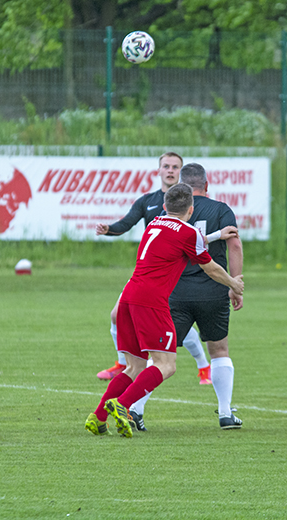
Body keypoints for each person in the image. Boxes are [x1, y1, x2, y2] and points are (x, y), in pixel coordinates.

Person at [85, 183, 244, 438]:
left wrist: (214, 236)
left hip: (128, 297)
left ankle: (98, 416)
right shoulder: (187, 232)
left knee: (134, 367)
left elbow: (186, 242)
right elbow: (210, 266)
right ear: (190, 210)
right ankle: (122, 405)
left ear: (163, 206)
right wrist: (234, 283)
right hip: (151, 301)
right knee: (167, 365)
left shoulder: (154, 224)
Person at [95, 152, 234, 388]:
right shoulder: (150, 202)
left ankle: (201, 366)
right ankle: (125, 363)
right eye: (166, 166)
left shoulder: (187, 203)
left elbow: (190, 239)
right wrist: (109, 229)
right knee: (118, 315)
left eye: (175, 167)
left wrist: (216, 236)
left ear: (181, 174)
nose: (170, 170)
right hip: (149, 274)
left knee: (176, 325)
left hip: (174, 278)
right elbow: (126, 224)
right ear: (158, 170)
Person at [168, 162, 244, 430]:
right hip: (213, 291)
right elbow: (234, 244)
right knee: (219, 350)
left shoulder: (172, 214)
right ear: (207, 185)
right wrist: (235, 283)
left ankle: (136, 409)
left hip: (176, 291)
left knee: (161, 355)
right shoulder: (221, 210)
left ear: (182, 188)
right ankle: (225, 413)